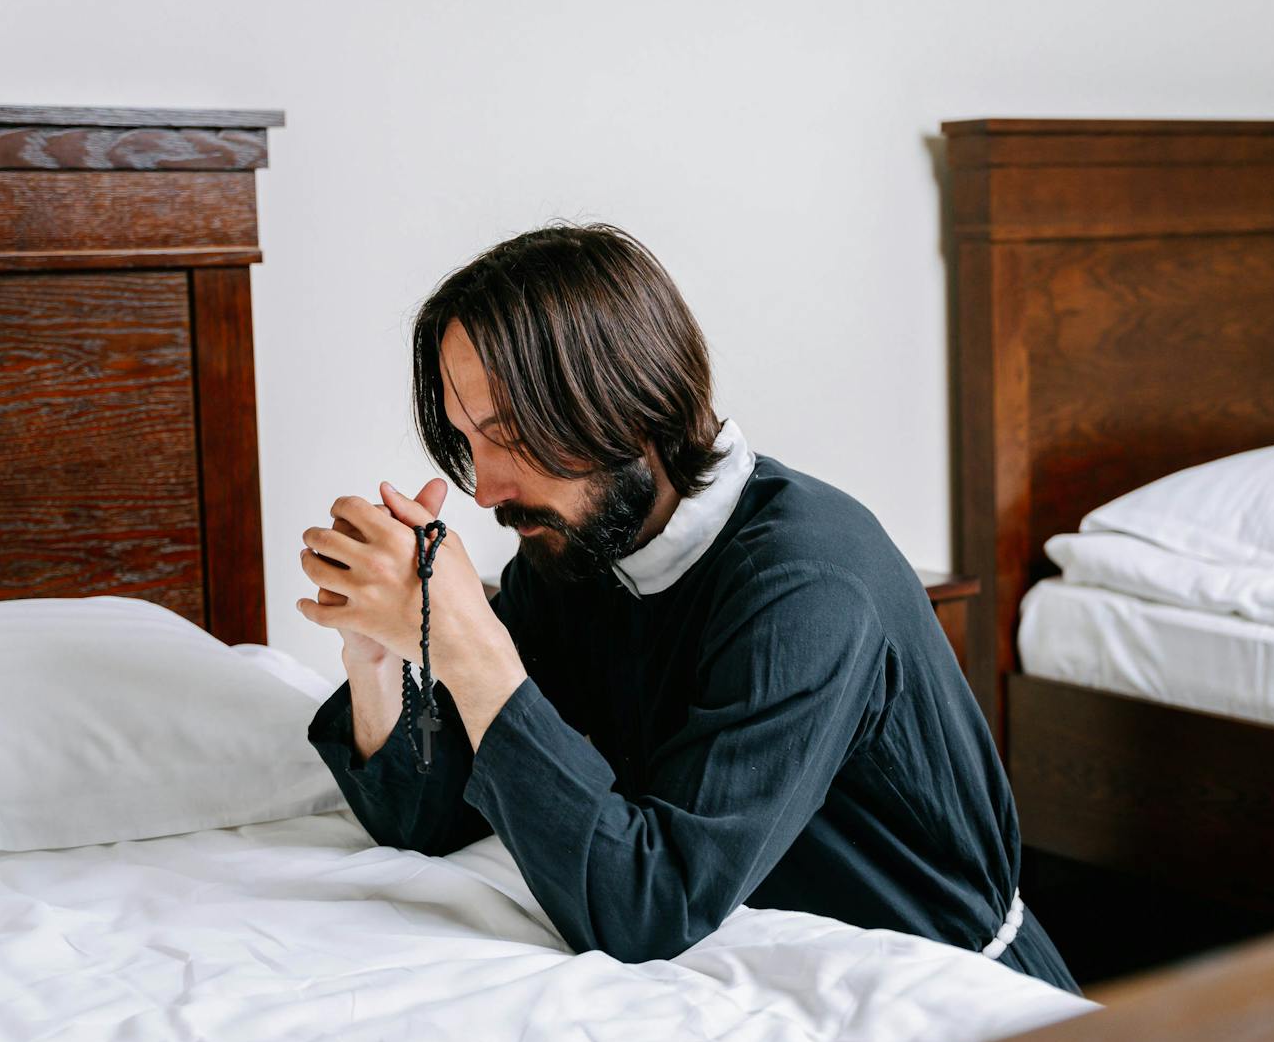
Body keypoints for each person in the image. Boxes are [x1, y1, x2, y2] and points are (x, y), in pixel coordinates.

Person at [297, 222, 1079, 994]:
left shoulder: (805, 591)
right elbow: (425, 821)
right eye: (470, 442)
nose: (484, 488)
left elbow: (648, 907)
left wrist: (471, 647)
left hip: (952, 1008)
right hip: (778, 988)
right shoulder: (580, 547)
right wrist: (379, 653)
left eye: (511, 437)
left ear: (630, 404)